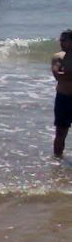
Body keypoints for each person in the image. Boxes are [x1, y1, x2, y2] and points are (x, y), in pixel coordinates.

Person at [51, 29, 72, 157]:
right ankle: (57, 164)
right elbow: (58, 76)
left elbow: (64, 75)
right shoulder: (58, 57)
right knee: (60, 134)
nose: (61, 42)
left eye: (64, 40)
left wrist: (67, 74)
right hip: (63, 98)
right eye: (60, 40)